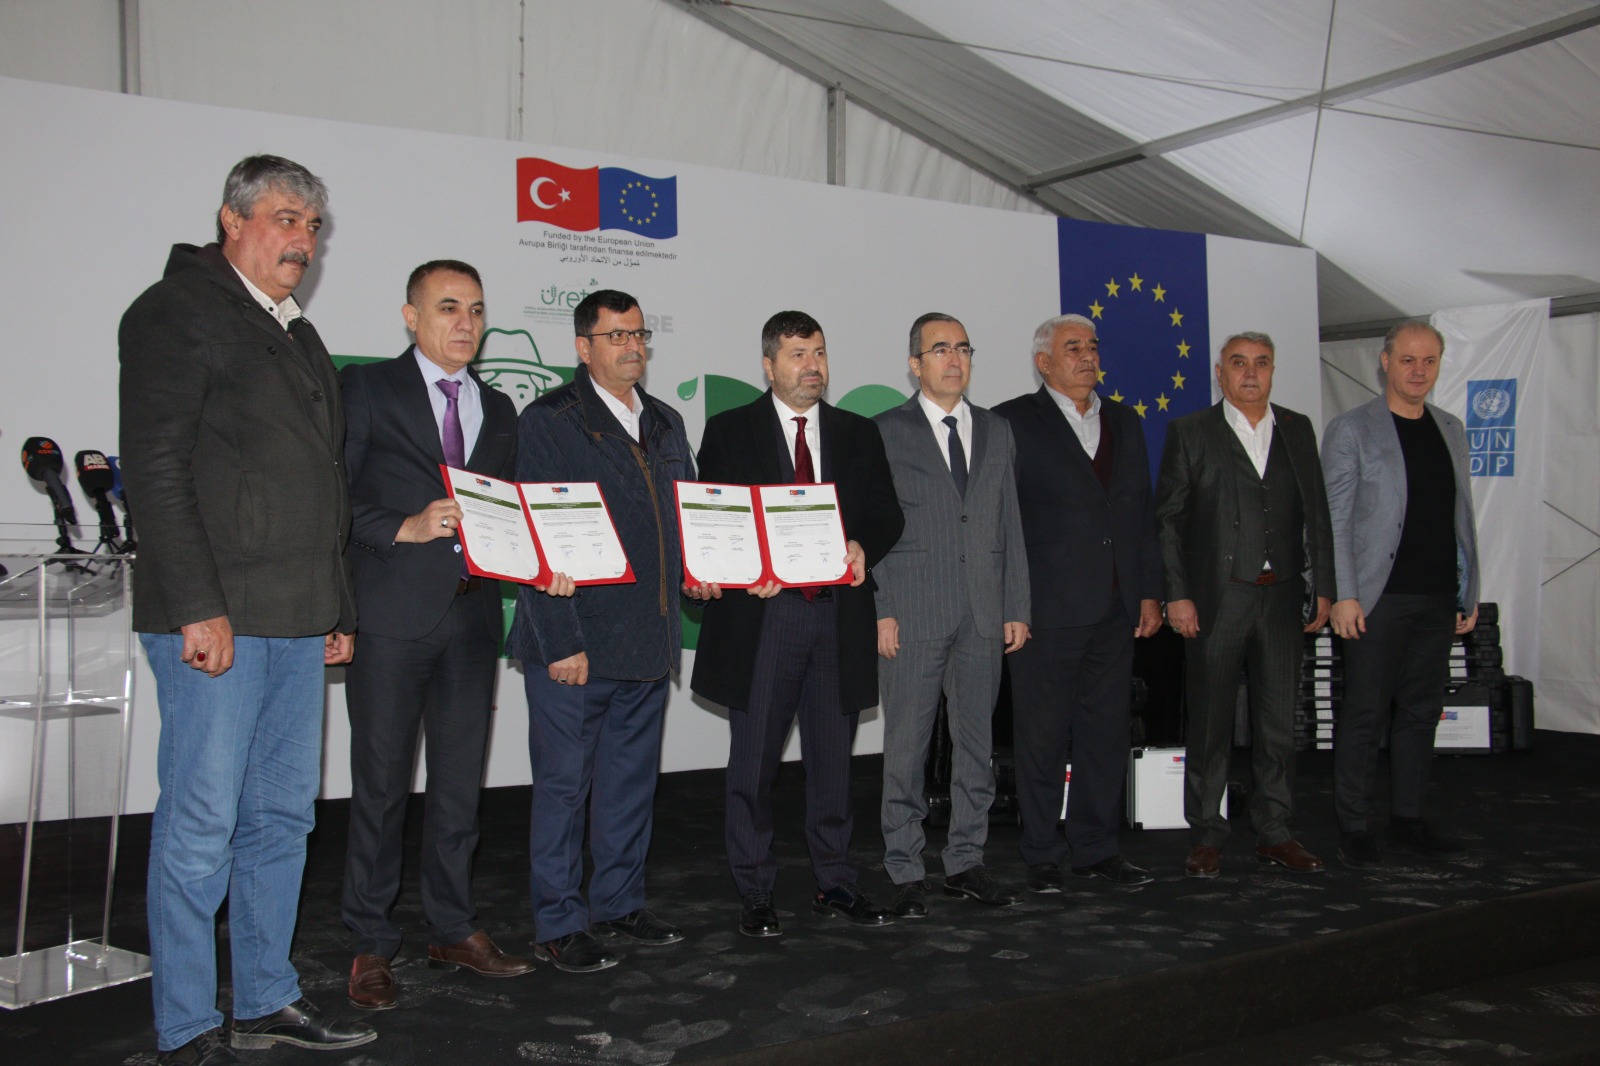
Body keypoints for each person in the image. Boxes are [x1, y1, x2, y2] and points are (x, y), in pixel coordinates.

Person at [119, 154, 374, 1063]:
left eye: (313, 225)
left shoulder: (293, 329)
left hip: (296, 616)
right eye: (284, 218)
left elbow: (325, 482)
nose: (303, 239)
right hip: (217, 617)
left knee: (282, 820)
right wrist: (197, 605)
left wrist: (336, 605)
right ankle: (188, 1023)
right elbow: (155, 468)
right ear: (232, 221)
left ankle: (264, 997)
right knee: (202, 826)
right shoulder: (175, 311)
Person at [339, 261, 569, 1009]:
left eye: (475, 309)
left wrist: (551, 559)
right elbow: (330, 497)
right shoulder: (366, 388)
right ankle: (370, 943)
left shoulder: (499, 407)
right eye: (447, 308)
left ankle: (452, 928)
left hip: (473, 620)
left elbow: (513, 510)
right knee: (381, 789)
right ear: (411, 316)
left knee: (459, 788)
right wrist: (402, 526)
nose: (465, 323)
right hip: (389, 619)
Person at [692, 311, 905, 937]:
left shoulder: (857, 432)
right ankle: (755, 889)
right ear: (768, 365)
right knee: (753, 765)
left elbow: (887, 514)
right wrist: (741, 570)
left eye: (819, 353)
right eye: (797, 355)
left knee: (834, 764)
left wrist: (864, 545)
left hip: (839, 617)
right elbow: (714, 518)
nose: (812, 366)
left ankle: (835, 881)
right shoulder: (731, 429)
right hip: (765, 618)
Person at [507, 289, 693, 973]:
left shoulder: (666, 421)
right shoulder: (551, 420)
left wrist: (699, 572)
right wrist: (560, 642)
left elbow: (684, 518)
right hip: (576, 644)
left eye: (638, 334)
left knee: (628, 786)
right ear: (583, 348)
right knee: (564, 789)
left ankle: (618, 903)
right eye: (616, 336)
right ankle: (559, 922)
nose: (632, 346)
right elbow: (538, 537)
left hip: (647, 640)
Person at [1155, 331, 1334, 879]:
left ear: (1273, 371)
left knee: (1278, 724)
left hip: (1282, 598)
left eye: (1261, 363)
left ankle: (1275, 832)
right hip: (1217, 599)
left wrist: (1323, 587)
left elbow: (1317, 515)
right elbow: (1168, 520)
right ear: (1220, 372)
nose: (1251, 372)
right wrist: (1177, 594)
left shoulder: (1298, 428)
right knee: (1210, 724)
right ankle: (1207, 834)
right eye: (1239, 363)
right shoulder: (1191, 431)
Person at [993, 314, 1163, 894]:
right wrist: (1010, 600)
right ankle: (1041, 851)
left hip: (1115, 607)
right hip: (1044, 609)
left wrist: (1148, 591)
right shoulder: (1012, 421)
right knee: (1041, 737)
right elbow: (1000, 519)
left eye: (1092, 346)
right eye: (1073, 348)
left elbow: (1141, 512)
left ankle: (1096, 848)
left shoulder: (1125, 421)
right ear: (1044, 362)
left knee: (1105, 734)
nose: (1088, 356)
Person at [873, 313, 1030, 916]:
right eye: (940, 349)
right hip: (913, 610)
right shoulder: (886, 431)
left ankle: (966, 861)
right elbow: (871, 527)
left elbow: (1009, 520)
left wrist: (1016, 604)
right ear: (915, 364)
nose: (954, 358)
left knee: (976, 746)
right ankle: (905, 868)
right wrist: (882, 608)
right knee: (906, 748)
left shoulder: (996, 429)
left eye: (962, 348)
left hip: (984, 612)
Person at [1321, 320, 1480, 868]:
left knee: (1420, 713)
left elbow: (1460, 517)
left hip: (1437, 597)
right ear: (1385, 362)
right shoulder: (1351, 429)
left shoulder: (1451, 428)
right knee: (1364, 713)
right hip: (1376, 600)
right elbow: (1334, 520)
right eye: (1408, 359)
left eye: (1429, 361)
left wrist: (1467, 589)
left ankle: (1409, 819)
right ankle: (1354, 826)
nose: (1419, 371)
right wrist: (1343, 594)